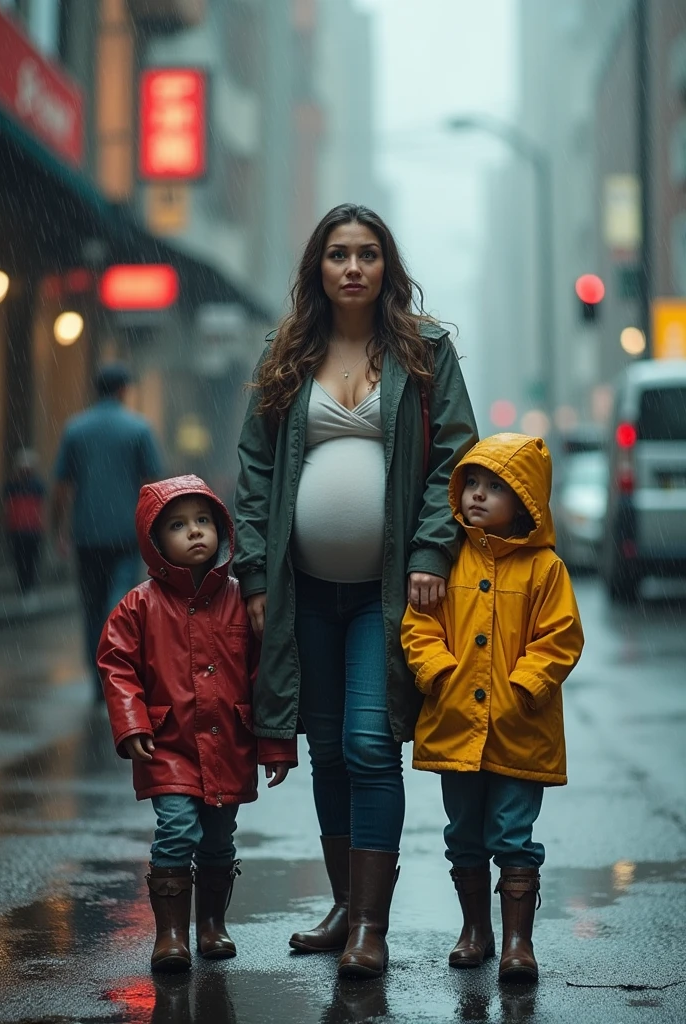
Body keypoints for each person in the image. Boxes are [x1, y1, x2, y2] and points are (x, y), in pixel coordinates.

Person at [233, 203, 478, 978]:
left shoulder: (426, 350)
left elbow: (456, 460)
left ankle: (371, 925)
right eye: (338, 254)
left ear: (386, 267)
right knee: (328, 749)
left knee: (372, 745)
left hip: (388, 596)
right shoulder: (288, 352)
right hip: (303, 588)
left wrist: (434, 551)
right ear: (318, 268)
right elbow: (255, 469)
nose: (352, 267)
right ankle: (344, 908)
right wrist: (254, 571)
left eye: (368, 254)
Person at [401, 433, 584, 983]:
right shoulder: (447, 559)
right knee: (463, 832)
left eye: (494, 487)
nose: (477, 496)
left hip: (518, 728)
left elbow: (561, 637)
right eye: (471, 484)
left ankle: (518, 944)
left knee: (512, 833)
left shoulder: (545, 569)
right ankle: (475, 931)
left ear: (525, 500)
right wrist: (438, 673)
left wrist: (526, 685)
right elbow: (419, 624)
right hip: (457, 722)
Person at [97, 475, 298, 973]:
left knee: (218, 837)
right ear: (155, 540)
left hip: (227, 741)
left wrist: (275, 743)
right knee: (176, 829)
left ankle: (211, 925)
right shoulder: (139, 605)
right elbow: (116, 664)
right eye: (179, 525)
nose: (195, 533)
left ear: (221, 529)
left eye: (204, 521)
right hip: (168, 743)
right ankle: (170, 934)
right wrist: (132, 722)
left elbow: (263, 673)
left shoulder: (238, 598)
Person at [52, 363, 163, 699]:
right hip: (126, 534)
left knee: (91, 603)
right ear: (123, 390)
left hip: (86, 532)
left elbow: (62, 486)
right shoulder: (139, 429)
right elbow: (152, 484)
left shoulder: (75, 429)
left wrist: (58, 529)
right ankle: (116, 668)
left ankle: (97, 675)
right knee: (118, 602)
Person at [2, 448, 46, 595]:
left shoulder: (37, 485)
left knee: (31, 560)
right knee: (19, 560)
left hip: (32, 529)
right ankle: (23, 587)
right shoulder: (12, 485)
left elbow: (41, 504)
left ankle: (30, 586)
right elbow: (7, 505)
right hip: (17, 529)